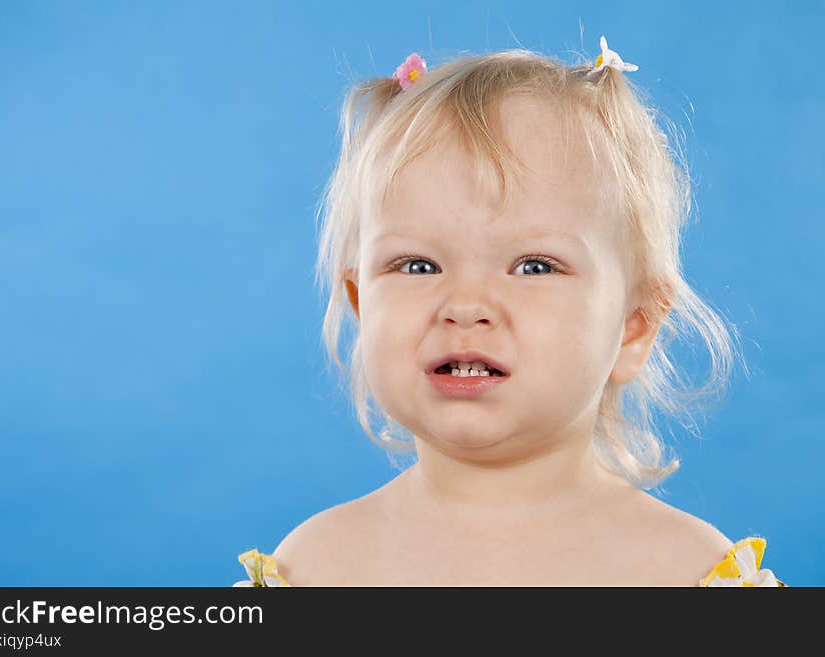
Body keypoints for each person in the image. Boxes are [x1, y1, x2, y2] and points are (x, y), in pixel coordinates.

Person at [234, 36, 785, 587]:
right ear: (360, 306)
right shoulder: (314, 566)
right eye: (419, 266)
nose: (466, 306)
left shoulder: (686, 569)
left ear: (632, 327)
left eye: (534, 266)